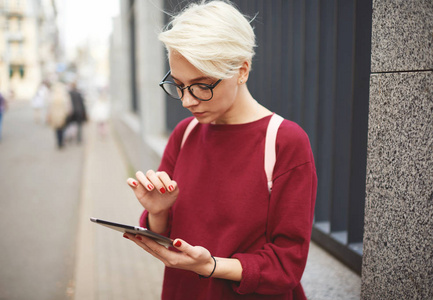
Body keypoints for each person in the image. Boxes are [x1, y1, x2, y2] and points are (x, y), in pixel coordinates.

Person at [124, 1, 317, 299]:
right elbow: (166, 238)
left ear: (241, 70)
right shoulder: (184, 134)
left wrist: (212, 266)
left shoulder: (284, 142)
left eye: (202, 85)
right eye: (178, 84)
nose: (187, 101)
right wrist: (158, 213)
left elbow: (286, 265)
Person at [46, 82, 70, 149]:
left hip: (55, 116)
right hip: (62, 115)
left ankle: (58, 142)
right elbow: (67, 108)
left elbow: (49, 108)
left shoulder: (52, 97)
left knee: (57, 130)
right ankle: (61, 142)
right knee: (62, 129)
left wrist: (49, 115)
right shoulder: (64, 97)